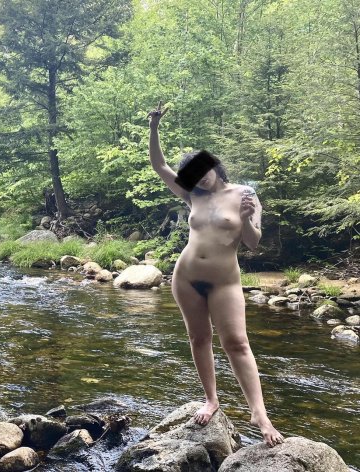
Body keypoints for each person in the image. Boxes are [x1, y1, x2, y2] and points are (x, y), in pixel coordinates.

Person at [147, 102, 284, 447]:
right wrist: (154, 126)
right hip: (186, 276)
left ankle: (259, 414)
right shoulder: (192, 195)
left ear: (213, 164)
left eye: (202, 169)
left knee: (237, 343)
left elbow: (253, 244)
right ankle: (211, 399)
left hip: (225, 280)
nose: (200, 176)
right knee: (198, 339)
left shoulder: (246, 194)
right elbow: (159, 165)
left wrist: (250, 217)